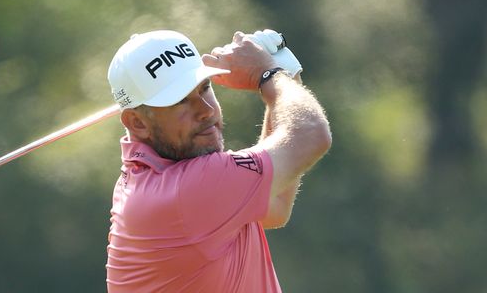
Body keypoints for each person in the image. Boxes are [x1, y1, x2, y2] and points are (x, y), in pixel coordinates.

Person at [105, 29, 331, 292]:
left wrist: (283, 78)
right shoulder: (188, 190)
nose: (207, 110)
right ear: (137, 123)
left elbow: (275, 204)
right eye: (181, 101)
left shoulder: (145, 177)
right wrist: (269, 74)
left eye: (205, 88)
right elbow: (311, 133)